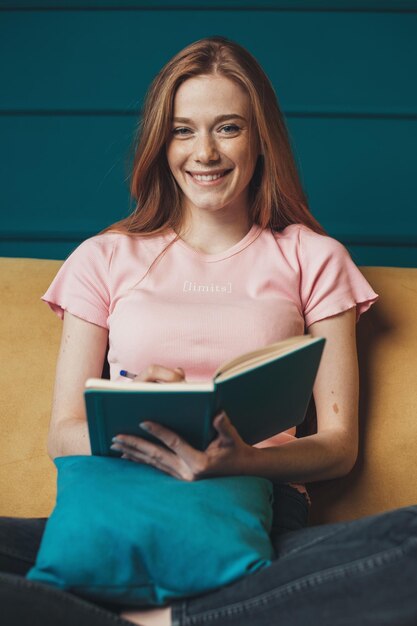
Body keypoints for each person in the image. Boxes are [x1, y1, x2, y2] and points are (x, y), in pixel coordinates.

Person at [1, 36, 416, 626]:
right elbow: (62, 435)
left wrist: (239, 460)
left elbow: (339, 446)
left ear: (259, 138)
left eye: (228, 128)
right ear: (160, 141)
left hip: (258, 523)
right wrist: (136, 410)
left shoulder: (313, 258)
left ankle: (142, 615)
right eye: (182, 130)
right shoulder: (105, 257)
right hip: (119, 509)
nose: (205, 152)